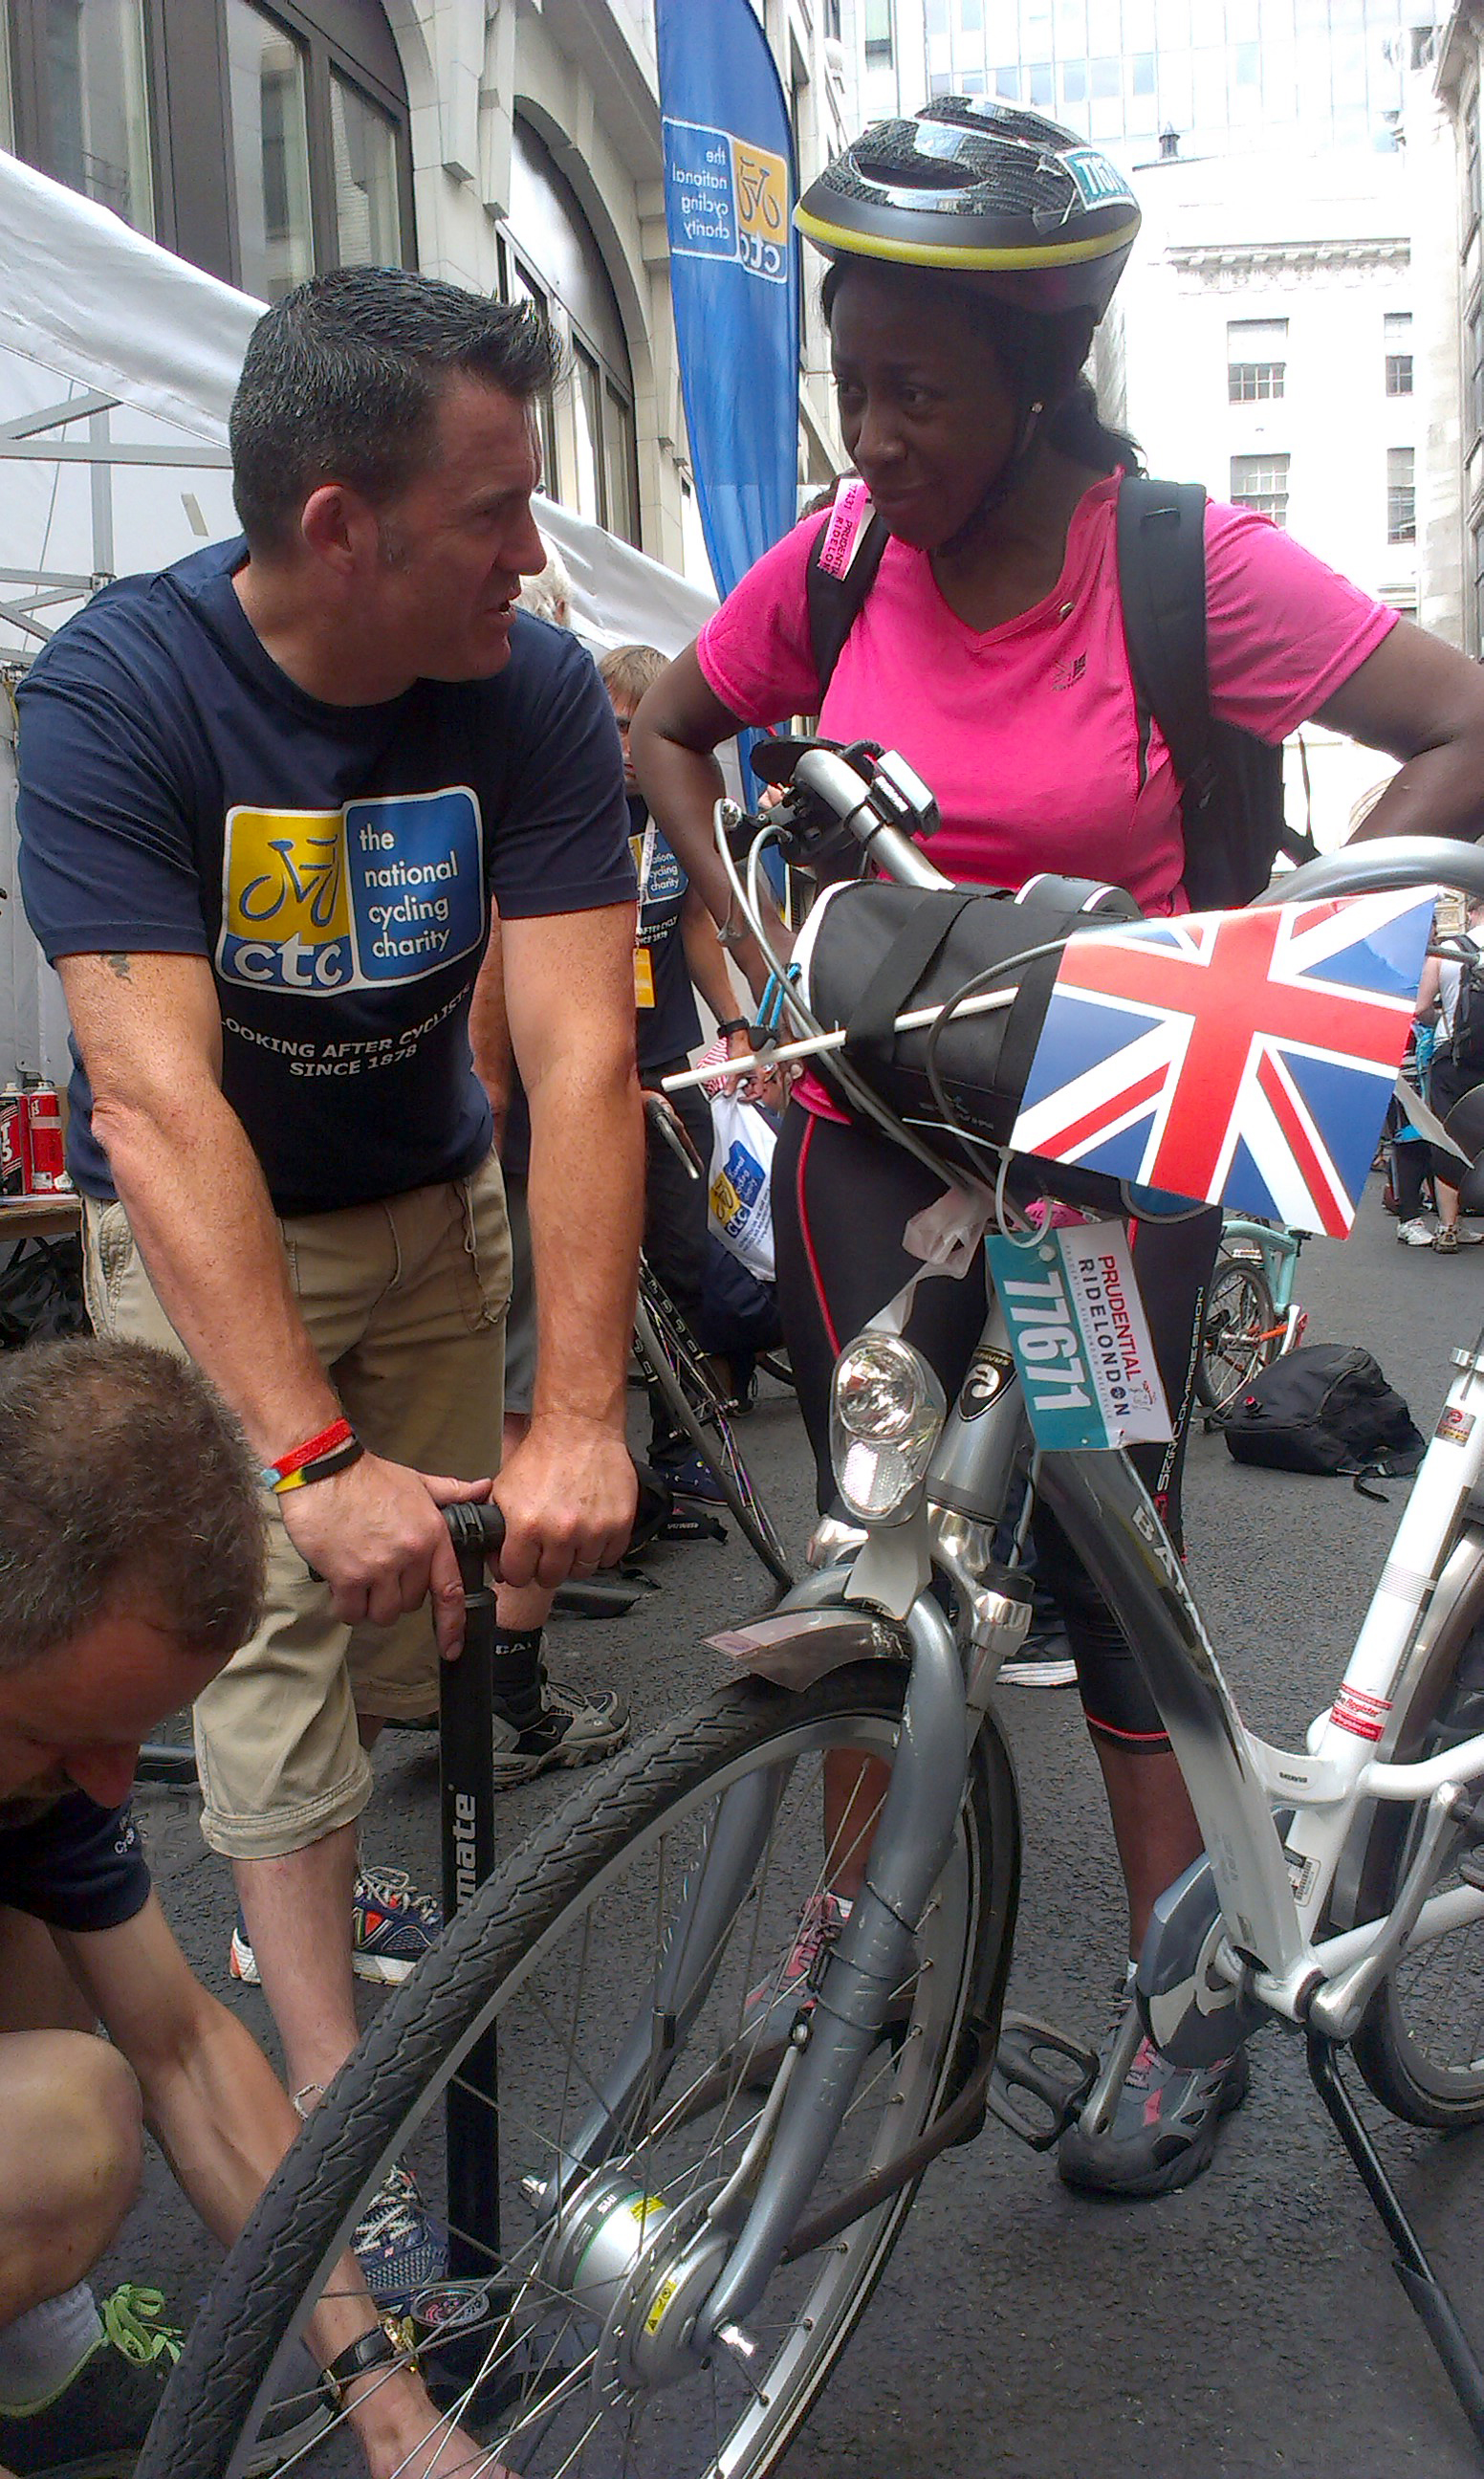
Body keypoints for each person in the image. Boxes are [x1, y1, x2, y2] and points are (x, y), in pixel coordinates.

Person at [631, 97, 1484, 2201]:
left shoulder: (1188, 567)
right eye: (849, 389)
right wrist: (740, 957)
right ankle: (864, 1966)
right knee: (865, 1537)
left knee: (1108, 1561)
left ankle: (1184, 2004)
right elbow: (666, 717)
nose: (873, 438)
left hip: (1111, 1136)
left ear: (1036, 378)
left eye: (915, 394)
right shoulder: (831, 564)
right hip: (860, 1111)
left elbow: (1460, 722)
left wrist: (1257, 958)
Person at [15, 265, 642, 2298]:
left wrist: (574, 1411)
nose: (531, 557)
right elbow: (149, 1097)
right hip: (228, 1233)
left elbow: (577, 1051)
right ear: (338, 527)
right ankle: (327, 2114)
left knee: (431, 1620)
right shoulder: (124, 690)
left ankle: (343, 1917)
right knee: (276, 1632)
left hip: (430, 1205)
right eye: (495, 513)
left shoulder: (529, 689)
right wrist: (301, 1452)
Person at [0, 1336, 496, 2479]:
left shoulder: (48, 1725)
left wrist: (391, 2409)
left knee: (53, 1974)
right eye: (71, 1737)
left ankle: (34, 2370)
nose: (119, 1785)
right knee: (64, 2126)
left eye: (135, 1739)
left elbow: (184, 2050)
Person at [1416, 894, 1484, 1250]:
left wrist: (1440, 1018)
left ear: (1473, 911)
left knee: (1451, 1137)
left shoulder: (1446, 951)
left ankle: (1448, 1226)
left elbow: (1422, 1007)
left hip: (1454, 1057)